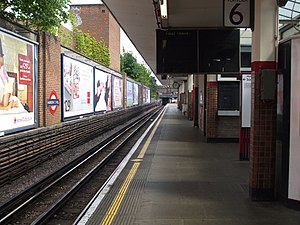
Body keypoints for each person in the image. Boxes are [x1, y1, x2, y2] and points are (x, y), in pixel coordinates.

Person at [0, 38, 16, 110]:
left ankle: (12, 104)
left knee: (5, 104)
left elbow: (1, 62)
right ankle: (12, 104)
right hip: (5, 83)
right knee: (5, 104)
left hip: (6, 83)